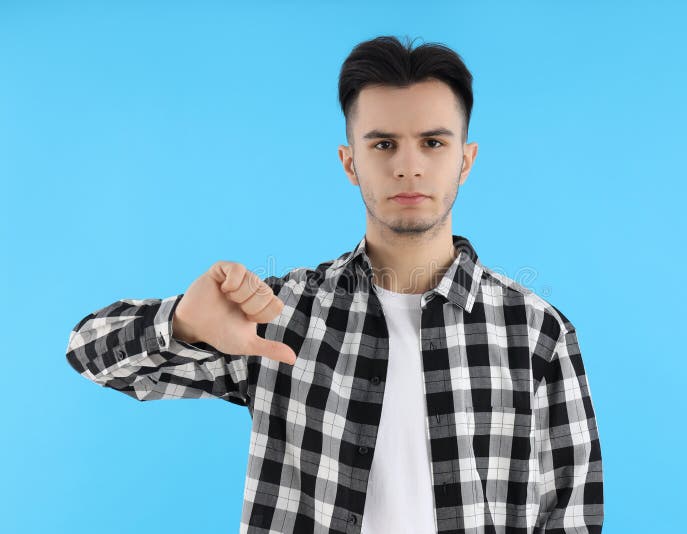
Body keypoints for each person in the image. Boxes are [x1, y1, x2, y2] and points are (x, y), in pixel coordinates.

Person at [66, 34, 604, 533]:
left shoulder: (536, 332)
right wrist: (182, 322)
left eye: (433, 143)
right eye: (384, 144)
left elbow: (572, 515)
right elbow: (88, 352)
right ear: (350, 163)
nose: (409, 167)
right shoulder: (282, 314)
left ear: (466, 160)